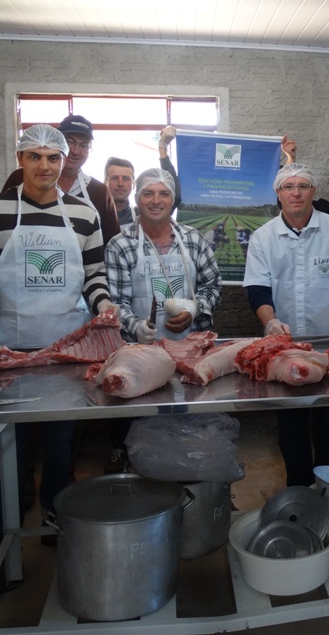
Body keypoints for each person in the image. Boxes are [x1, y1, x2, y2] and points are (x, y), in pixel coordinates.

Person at [0, 123, 117, 556]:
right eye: (36, 156)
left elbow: (94, 277)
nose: (46, 165)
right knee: (8, 453)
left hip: (67, 350)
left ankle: (56, 525)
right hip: (10, 350)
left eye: (54, 157)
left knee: (60, 446)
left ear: (64, 161)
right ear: (21, 160)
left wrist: (104, 305)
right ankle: (2, 546)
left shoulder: (84, 216)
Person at [243, 163, 329, 486]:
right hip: (284, 348)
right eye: (289, 187)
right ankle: (299, 489)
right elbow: (257, 288)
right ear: (278, 194)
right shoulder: (264, 237)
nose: (296, 192)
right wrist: (270, 321)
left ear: (314, 192)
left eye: (303, 186)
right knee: (291, 426)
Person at [103, 168, 222, 470]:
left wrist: (196, 310)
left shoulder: (193, 240)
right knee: (139, 427)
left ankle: (191, 479)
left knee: (190, 424)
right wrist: (137, 327)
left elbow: (212, 285)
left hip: (191, 350)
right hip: (138, 355)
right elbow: (116, 302)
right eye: (148, 193)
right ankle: (135, 478)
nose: (156, 200)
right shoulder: (120, 245)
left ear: (172, 201)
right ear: (137, 198)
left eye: (163, 194)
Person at [3, 114, 121, 243]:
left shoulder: (99, 191)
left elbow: (111, 242)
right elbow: (0, 220)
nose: (75, 151)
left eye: (83, 145)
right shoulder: (21, 177)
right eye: (69, 142)